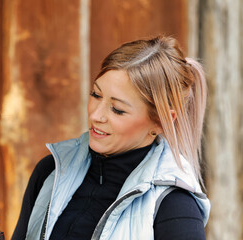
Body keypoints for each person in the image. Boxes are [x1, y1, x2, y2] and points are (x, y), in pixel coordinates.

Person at [12, 36, 210, 240]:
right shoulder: (50, 172)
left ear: (160, 121)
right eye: (96, 95)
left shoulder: (174, 205)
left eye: (117, 110)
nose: (96, 116)